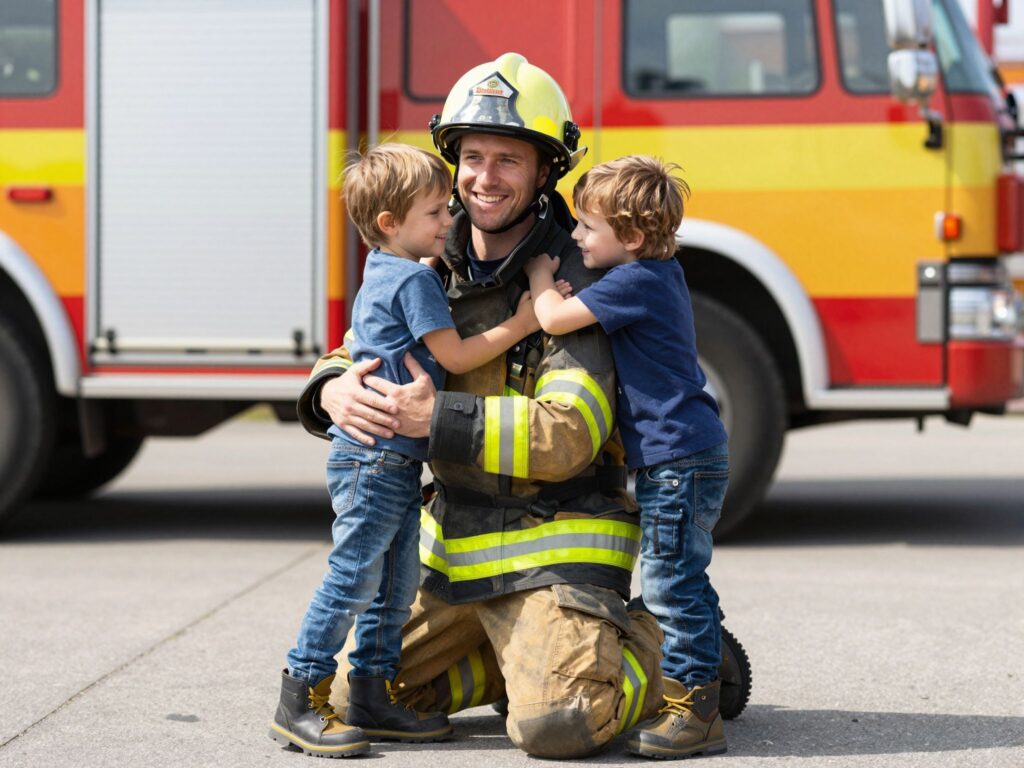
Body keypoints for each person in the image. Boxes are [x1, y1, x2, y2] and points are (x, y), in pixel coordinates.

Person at [296, 53, 667, 759]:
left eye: (507, 159)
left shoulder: (574, 284)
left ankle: (675, 651)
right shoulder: (428, 250)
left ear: (544, 172)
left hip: (557, 547)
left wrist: (435, 419)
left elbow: (570, 435)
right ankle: (521, 668)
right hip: (453, 548)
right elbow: (358, 347)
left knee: (559, 724)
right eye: (471, 156)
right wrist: (332, 388)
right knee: (359, 697)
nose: (483, 178)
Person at [270, 143, 545, 758]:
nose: (448, 221)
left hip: (385, 459)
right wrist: (524, 323)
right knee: (354, 578)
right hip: (377, 460)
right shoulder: (417, 277)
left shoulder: (380, 265)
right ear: (392, 223)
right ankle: (301, 695)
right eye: (434, 213)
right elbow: (455, 357)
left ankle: (369, 692)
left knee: (395, 583)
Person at [524, 155, 730, 759]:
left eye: (588, 228)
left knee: (669, 584)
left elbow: (556, 318)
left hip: (675, 460)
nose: (578, 238)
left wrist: (541, 274)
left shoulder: (635, 280)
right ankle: (711, 679)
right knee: (687, 577)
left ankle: (695, 711)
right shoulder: (661, 272)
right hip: (691, 452)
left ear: (633, 238)